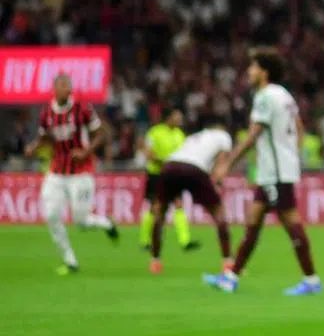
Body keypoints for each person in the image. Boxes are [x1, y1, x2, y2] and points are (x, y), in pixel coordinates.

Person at [203, 48, 321, 296]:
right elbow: (299, 127)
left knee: (290, 221)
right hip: (275, 170)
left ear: (264, 72)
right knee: (253, 220)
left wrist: (226, 164)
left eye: (253, 67)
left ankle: (311, 279)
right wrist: (293, 154)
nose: (249, 71)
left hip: (276, 172)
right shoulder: (285, 95)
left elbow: (252, 136)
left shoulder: (265, 96)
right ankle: (231, 277)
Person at [23, 73, 120, 274]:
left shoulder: (82, 108)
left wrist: (86, 151)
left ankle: (106, 223)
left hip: (81, 172)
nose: (68, 90)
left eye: (69, 86)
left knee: (81, 221)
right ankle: (70, 260)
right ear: (55, 89)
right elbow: (45, 138)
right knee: (51, 214)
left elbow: (101, 134)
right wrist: (34, 147)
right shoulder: (47, 113)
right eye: (64, 86)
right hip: (57, 171)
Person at [149, 117, 234, 274]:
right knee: (218, 213)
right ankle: (228, 262)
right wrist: (218, 181)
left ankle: (155, 261)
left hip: (170, 166)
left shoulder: (194, 137)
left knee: (159, 213)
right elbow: (223, 161)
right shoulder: (224, 136)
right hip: (194, 168)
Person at [139, 108, 199, 253]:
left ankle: (185, 241)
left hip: (174, 176)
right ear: (169, 118)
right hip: (156, 175)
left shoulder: (180, 135)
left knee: (178, 204)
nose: (180, 120)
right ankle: (145, 241)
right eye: (177, 117)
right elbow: (148, 154)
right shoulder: (155, 132)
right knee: (154, 208)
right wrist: (166, 163)